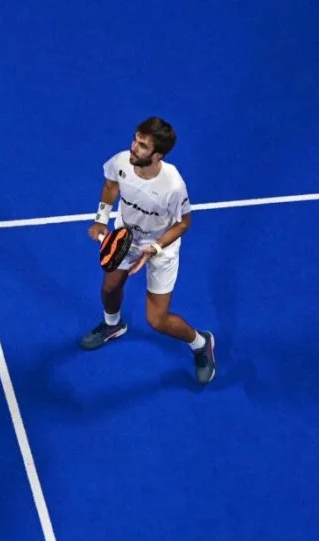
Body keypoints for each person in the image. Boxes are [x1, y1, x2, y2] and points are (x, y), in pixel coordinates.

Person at [79, 117, 216, 385]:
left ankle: (201, 344)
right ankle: (113, 324)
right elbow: (110, 185)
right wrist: (100, 219)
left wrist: (154, 248)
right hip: (125, 237)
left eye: (142, 146)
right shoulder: (121, 162)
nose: (133, 148)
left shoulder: (173, 186)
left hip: (160, 246)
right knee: (110, 287)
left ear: (158, 155)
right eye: (135, 140)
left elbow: (183, 223)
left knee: (157, 320)